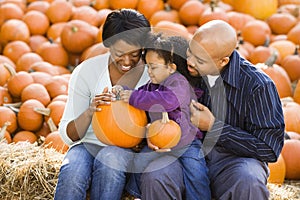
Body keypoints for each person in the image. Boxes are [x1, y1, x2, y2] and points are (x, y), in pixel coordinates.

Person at [138, 20, 285, 200]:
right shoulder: (182, 63)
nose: (190, 62)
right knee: (156, 175)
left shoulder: (258, 86)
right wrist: (151, 131)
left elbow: (269, 148)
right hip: (182, 152)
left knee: (248, 180)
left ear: (223, 61)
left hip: (232, 160)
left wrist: (215, 127)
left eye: (199, 60)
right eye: (191, 51)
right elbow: (152, 92)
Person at [54, 9, 151, 200]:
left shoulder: (153, 74)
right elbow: (68, 136)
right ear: (108, 45)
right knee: (72, 171)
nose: (126, 61)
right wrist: (90, 111)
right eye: (119, 53)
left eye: (135, 54)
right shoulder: (87, 71)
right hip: (87, 144)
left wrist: (143, 139)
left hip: (125, 149)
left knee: (110, 161)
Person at [116, 33, 210, 200]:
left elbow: (167, 101)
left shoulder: (179, 83)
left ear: (171, 68)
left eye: (153, 67)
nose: (149, 72)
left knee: (197, 173)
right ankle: (134, 195)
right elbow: (139, 93)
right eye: (147, 67)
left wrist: (133, 98)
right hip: (161, 140)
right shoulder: (153, 85)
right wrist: (122, 91)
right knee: (139, 163)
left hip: (186, 143)